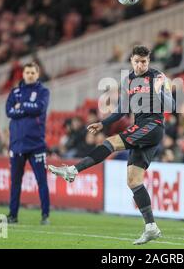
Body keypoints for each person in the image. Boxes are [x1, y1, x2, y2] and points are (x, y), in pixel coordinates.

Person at [49, 46, 174, 245]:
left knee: (111, 142)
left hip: (153, 125)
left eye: (144, 61)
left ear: (149, 61)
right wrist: (103, 123)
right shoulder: (129, 81)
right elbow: (121, 110)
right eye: (137, 61)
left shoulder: (158, 77)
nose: (140, 65)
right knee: (133, 181)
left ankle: (73, 170)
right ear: (131, 61)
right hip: (140, 128)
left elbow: (171, 106)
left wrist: (159, 91)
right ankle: (151, 227)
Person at [5, 62, 50, 225]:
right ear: (23, 74)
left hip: (36, 144)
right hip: (16, 144)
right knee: (15, 182)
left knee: (42, 181)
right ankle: (13, 215)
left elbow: (39, 107)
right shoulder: (15, 92)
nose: (30, 75)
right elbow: (8, 111)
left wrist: (22, 106)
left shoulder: (43, 91)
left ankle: (45, 215)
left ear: (37, 74)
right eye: (27, 72)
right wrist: (26, 109)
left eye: (33, 72)